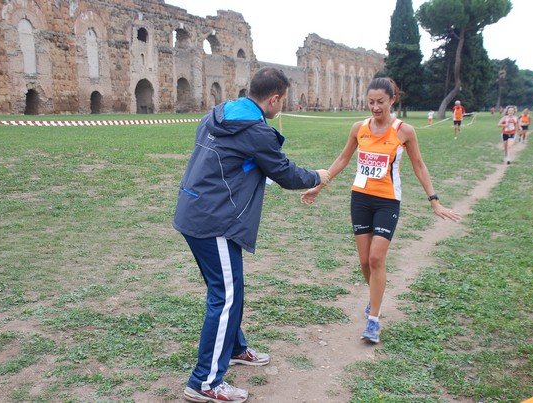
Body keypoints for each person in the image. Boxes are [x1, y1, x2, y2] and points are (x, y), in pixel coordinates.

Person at [173, 67, 330, 403]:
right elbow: (285, 173)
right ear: (273, 98)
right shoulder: (256, 130)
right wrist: (317, 175)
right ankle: (205, 382)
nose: (281, 107)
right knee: (225, 296)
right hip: (211, 220)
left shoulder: (217, 114)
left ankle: (234, 347)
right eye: (282, 101)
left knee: (231, 288)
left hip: (199, 212)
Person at [301, 77, 460, 344]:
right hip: (360, 199)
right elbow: (343, 159)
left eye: (381, 102)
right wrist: (319, 184)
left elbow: (419, 166)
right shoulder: (358, 128)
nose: (375, 107)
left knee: (376, 258)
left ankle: (373, 320)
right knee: (364, 261)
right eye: (371, 102)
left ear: (392, 100)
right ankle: (374, 297)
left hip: (387, 201)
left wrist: (434, 200)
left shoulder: (404, 131)